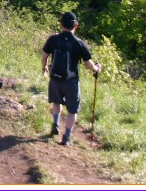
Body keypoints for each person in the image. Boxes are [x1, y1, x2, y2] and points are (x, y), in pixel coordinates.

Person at [41, 11, 101, 147]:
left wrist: (44, 68)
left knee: (56, 102)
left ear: (61, 24)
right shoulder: (79, 43)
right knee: (72, 110)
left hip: (55, 79)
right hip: (71, 82)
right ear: (76, 25)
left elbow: (44, 56)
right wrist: (96, 69)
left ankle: (56, 123)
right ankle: (66, 137)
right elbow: (87, 64)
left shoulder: (53, 39)